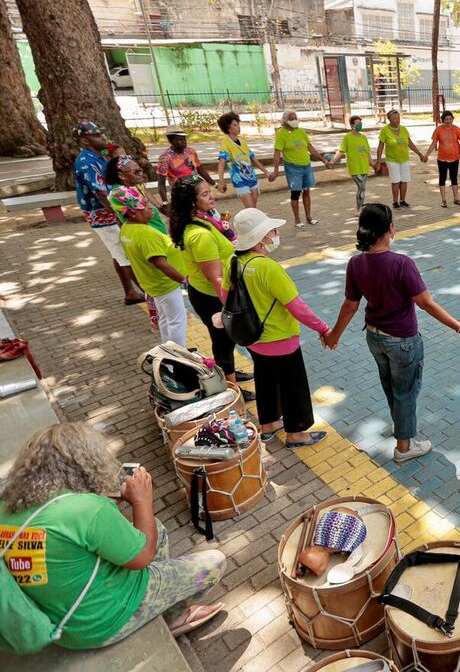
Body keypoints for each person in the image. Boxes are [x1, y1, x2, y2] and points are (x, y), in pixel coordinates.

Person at [0, 422, 225, 648]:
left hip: (58, 616)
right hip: (100, 622)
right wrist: (142, 500)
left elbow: (72, 533)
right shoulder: (87, 509)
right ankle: (169, 618)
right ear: (85, 463)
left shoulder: (7, 505)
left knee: (156, 529)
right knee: (214, 562)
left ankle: (159, 601)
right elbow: (143, 558)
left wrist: (109, 503)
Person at [323, 204, 460, 462]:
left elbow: (350, 305)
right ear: (390, 229)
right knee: (406, 391)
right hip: (403, 341)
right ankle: (404, 447)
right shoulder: (401, 264)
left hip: (374, 337)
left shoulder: (355, 263)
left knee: (391, 386)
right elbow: (426, 303)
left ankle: (401, 427)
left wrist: (334, 335)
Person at [224, 208, 330, 448]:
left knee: (266, 381)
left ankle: (269, 424)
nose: (276, 234)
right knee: (293, 387)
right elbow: (297, 307)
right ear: (260, 237)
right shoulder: (268, 268)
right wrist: (323, 328)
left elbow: (225, 295)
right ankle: (296, 433)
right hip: (281, 339)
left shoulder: (233, 262)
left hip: (252, 337)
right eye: (272, 230)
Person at [169, 177, 252, 399]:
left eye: (209, 191)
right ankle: (232, 392)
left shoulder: (202, 221)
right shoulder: (201, 235)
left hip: (209, 292)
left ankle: (230, 373)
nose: (212, 195)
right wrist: (231, 308)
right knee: (223, 343)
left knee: (225, 341)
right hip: (213, 297)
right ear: (192, 203)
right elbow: (216, 278)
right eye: (205, 194)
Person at [72, 121, 145, 305]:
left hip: (112, 210)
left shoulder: (100, 156)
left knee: (117, 251)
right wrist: (120, 217)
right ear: (85, 141)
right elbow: (101, 193)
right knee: (124, 253)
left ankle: (130, 293)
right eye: (96, 135)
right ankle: (149, 292)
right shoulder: (85, 161)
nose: (103, 137)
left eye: (101, 134)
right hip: (104, 214)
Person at [112, 186, 188, 348]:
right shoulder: (146, 234)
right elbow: (160, 263)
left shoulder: (126, 229)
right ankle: (180, 359)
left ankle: (168, 352)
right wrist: (183, 280)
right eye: (145, 206)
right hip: (165, 285)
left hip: (152, 284)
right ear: (132, 212)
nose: (151, 209)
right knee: (177, 322)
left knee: (166, 320)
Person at [269, 111, 333, 229]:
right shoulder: (281, 134)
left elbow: (310, 148)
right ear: (285, 121)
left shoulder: (301, 131)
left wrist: (323, 160)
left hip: (306, 165)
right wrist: (276, 170)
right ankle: (297, 219)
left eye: (295, 118)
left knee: (307, 191)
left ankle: (309, 217)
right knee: (295, 193)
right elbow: (277, 153)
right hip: (293, 167)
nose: (294, 120)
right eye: (291, 118)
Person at [425, 110, 460, 208]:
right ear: (442, 120)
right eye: (446, 119)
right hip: (442, 159)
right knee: (442, 178)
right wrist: (426, 155)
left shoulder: (456, 129)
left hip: (454, 158)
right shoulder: (438, 130)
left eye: (450, 119)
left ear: (452, 119)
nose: (448, 121)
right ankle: (443, 200)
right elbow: (433, 144)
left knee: (454, 178)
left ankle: (456, 198)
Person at [217, 111, 269, 209]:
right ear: (228, 128)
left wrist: (266, 172)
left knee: (253, 208)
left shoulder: (243, 141)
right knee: (250, 209)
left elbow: (253, 158)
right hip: (239, 179)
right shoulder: (225, 143)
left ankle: (251, 223)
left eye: (238, 124)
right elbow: (221, 163)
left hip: (251, 177)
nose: (238, 127)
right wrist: (221, 181)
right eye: (235, 125)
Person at [376, 110, 427, 209]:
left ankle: (402, 200)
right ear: (389, 119)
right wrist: (378, 160)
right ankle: (395, 202)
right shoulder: (385, 130)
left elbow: (410, 143)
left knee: (404, 180)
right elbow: (380, 146)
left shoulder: (403, 129)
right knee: (396, 181)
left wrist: (420, 154)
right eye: (394, 118)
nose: (397, 120)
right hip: (392, 159)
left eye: (398, 118)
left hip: (404, 159)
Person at [156, 127, 218, 209]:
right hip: (181, 195)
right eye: (180, 140)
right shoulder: (164, 158)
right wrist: (165, 202)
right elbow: (161, 183)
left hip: (198, 191)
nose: (184, 142)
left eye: (184, 139)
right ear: (171, 141)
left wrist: (214, 184)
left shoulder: (190, 151)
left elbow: (200, 169)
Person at [331, 115, 375, 211]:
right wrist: (332, 161)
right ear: (352, 126)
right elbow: (341, 151)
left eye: (361, 123)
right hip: (354, 167)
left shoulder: (363, 137)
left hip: (364, 167)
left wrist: (373, 163)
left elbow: (367, 152)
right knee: (361, 187)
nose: (360, 125)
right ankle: (359, 210)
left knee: (362, 189)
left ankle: (360, 208)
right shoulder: (347, 137)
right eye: (357, 123)